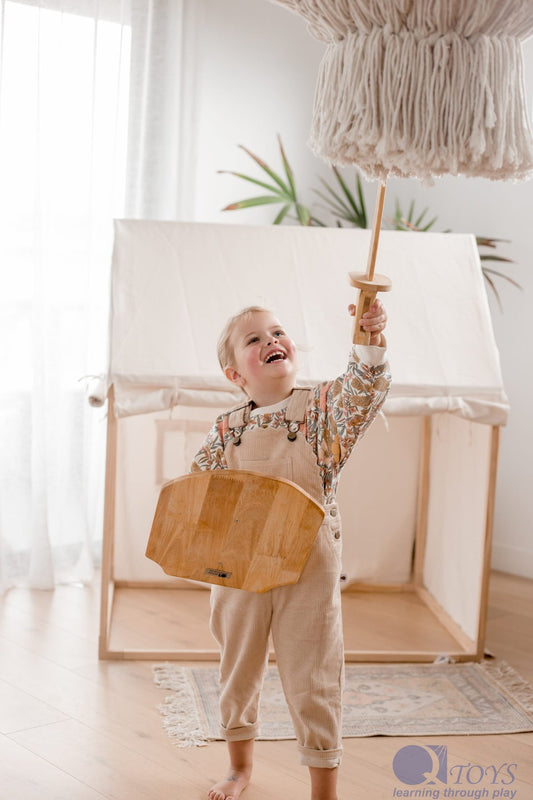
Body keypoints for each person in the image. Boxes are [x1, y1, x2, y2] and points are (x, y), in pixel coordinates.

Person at [191, 299, 391, 800]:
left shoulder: (324, 409)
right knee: (238, 667)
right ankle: (239, 768)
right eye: (254, 339)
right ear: (235, 373)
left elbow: (362, 392)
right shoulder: (225, 429)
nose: (271, 342)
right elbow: (200, 494)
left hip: (309, 565)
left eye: (277, 332)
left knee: (315, 675)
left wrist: (368, 340)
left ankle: (324, 787)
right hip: (240, 568)